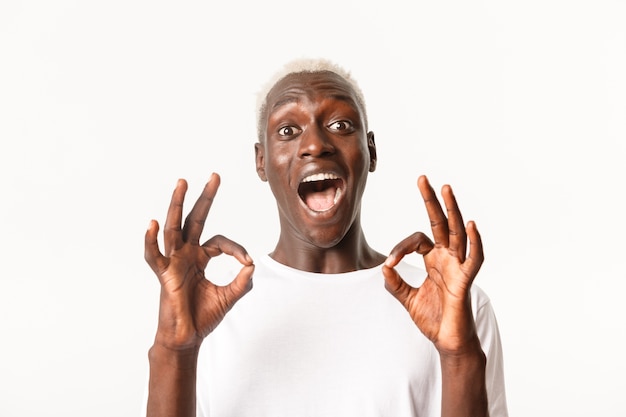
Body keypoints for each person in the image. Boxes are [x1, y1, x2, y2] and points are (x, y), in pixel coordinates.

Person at [143, 58, 508, 417]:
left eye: (340, 124)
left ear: (371, 152)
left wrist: (459, 355)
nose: (316, 144)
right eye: (288, 130)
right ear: (261, 161)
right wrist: (175, 350)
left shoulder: (452, 303)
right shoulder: (209, 307)